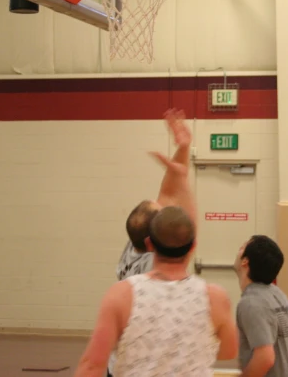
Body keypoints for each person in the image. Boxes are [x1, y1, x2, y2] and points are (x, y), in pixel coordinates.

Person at [74, 205, 238, 377]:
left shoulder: (121, 295)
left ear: (149, 244)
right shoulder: (215, 297)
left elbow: (92, 367)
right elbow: (229, 351)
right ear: (192, 246)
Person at [107, 108, 198, 376]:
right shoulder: (154, 266)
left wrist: (182, 148)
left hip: (119, 365)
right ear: (153, 241)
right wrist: (182, 173)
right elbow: (187, 227)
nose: (165, 207)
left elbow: (168, 194)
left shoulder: (134, 243)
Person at [233, 235, 288, 377]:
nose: (238, 250)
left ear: (245, 262)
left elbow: (265, 358)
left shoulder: (251, 302)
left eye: (242, 247)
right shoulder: (278, 294)